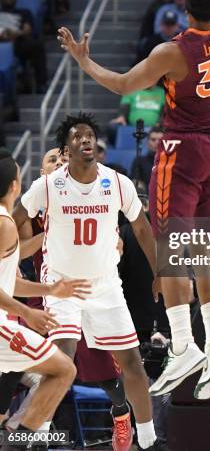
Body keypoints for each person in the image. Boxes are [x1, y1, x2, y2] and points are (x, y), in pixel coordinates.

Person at [59, 0, 210, 401]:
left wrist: (83, 60)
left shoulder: (172, 51)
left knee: (170, 247)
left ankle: (184, 346)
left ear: (181, 2)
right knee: (201, 244)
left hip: (183, 150)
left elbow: (119, 85)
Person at [17, 114, 168, 451]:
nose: (86, 140)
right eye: (77, 136)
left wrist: (160, 270)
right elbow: (14, 222)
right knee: (61, 360)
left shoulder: (116, 182)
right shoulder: (46, 187)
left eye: (90, 135)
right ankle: (38, 435)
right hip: (59, 287)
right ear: (66, 149)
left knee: (125, 364)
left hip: (104, 286)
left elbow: (141, 228)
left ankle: (146, 438)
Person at [0, 150, 90, 451]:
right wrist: (28, 311)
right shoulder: (8, 222)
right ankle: (21, 441)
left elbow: (8, 280)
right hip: (10, 318)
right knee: (63, 370)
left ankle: (21, 437)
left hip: (20, 309)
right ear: (16, 185)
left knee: (55, 372)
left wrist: (51, 290)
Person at [0, 0, 47, 93]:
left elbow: (27, 29)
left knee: (37, 45)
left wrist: (16, 33)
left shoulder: (24, 13)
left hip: (17, 42)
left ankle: (41, 84)